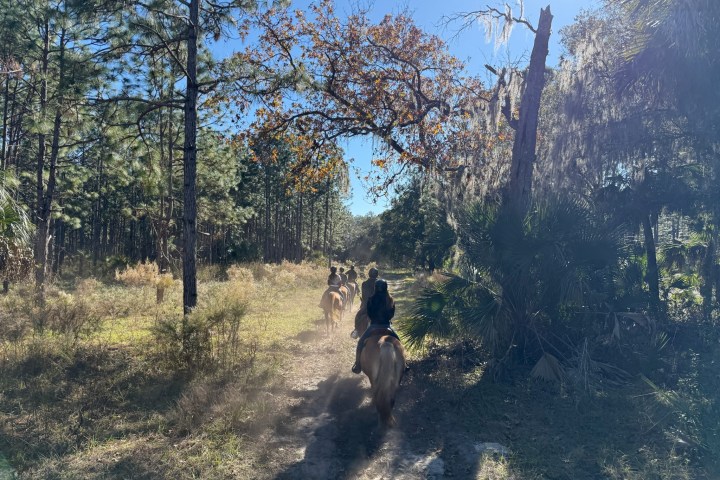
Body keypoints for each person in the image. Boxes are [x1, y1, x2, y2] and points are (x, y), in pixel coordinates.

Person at [351, 278, 401, 374]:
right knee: (398, 341)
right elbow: (392, 314)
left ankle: (357, 365)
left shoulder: (371, 299)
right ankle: (404, 364)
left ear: (375, 288)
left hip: (373, 326)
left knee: (360, 343)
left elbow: (369, 313)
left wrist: (375, 319)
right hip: (387, 326)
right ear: (386, 288)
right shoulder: (390, 300)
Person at [352, 267, 378, 335]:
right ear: (377, 275)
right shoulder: (380, 283)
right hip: (378, 306)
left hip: (367, 305)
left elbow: (364, 296)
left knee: (358, 316)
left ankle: (356, 330)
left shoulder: (364, 283)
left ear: (369, 274)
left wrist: (364, 303)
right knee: (387, 319)